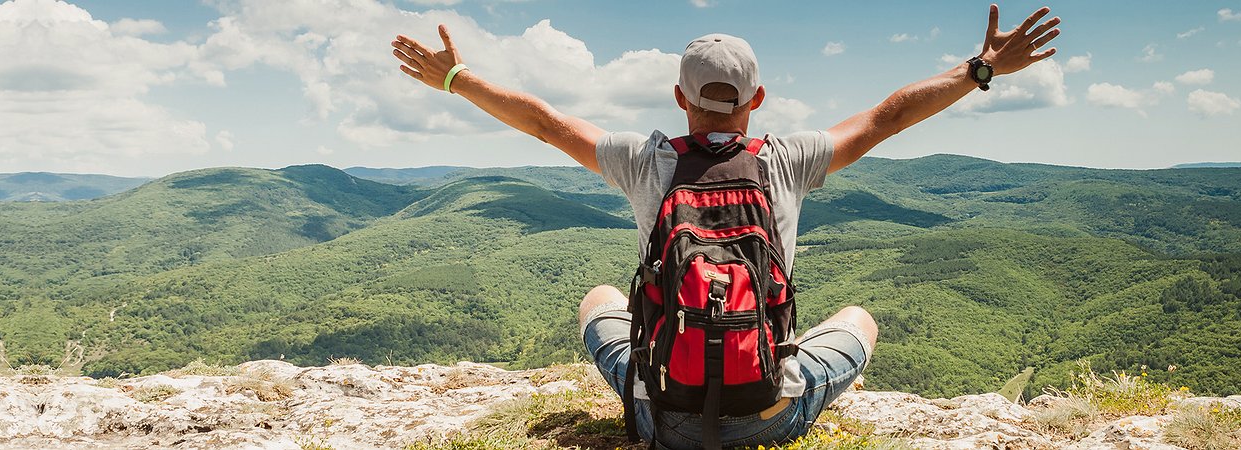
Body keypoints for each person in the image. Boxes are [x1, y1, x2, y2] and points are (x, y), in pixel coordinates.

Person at [391, 4, 1060, 448]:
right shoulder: (789, 160)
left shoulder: (643, 160)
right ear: (758, 101)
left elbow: (545, 122)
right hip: (770, 413)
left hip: (662, 421)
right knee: (858, 317)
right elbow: (887, 115)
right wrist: (982, 69)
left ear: (680, 98)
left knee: (598, 299)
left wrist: (456, 77)